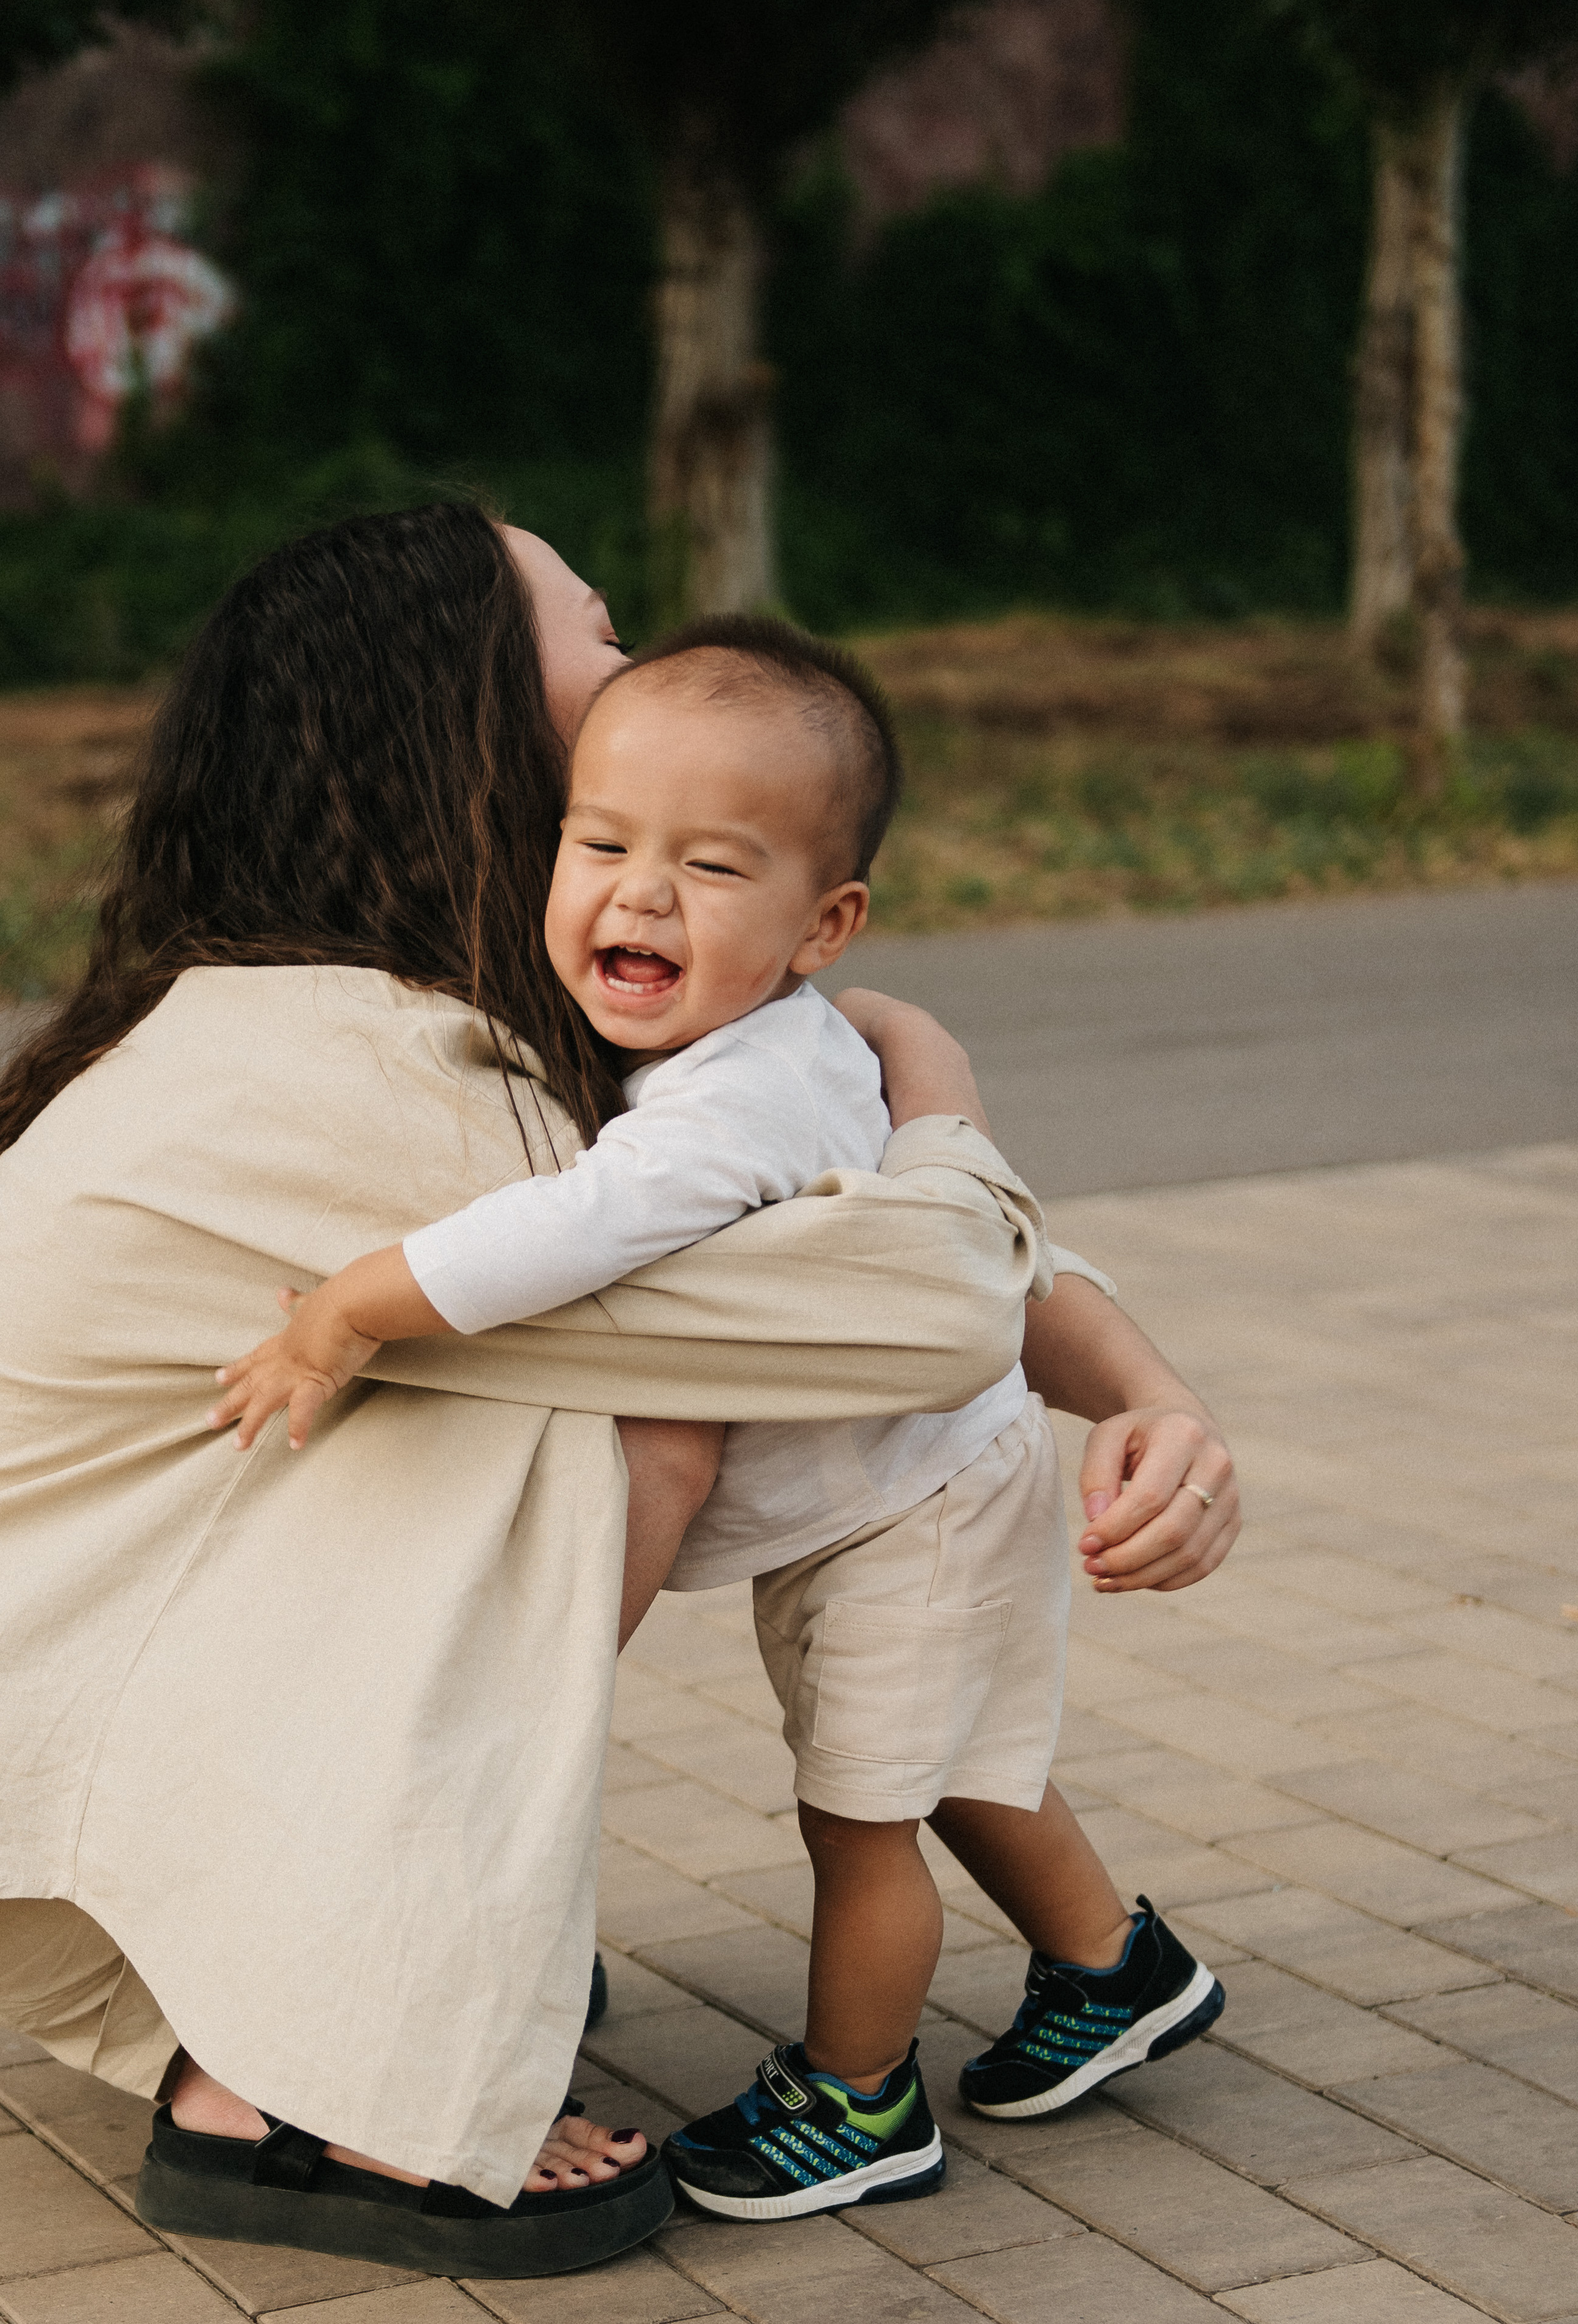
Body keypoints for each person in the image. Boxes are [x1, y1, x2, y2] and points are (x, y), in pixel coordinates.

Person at [0, 504, 1235, 2276]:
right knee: (633, 1425)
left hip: (75, 1657)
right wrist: (928, 1062)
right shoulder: (382, 1071)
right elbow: (916, 1297)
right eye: (600, 633)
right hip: (55, 1687)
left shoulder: (366, 999)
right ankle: (291, 2078)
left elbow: (811, 1235)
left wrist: (1146, 1381)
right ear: (473, 718)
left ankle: (370, 1937)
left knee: (603, 1400)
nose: (652, 667)